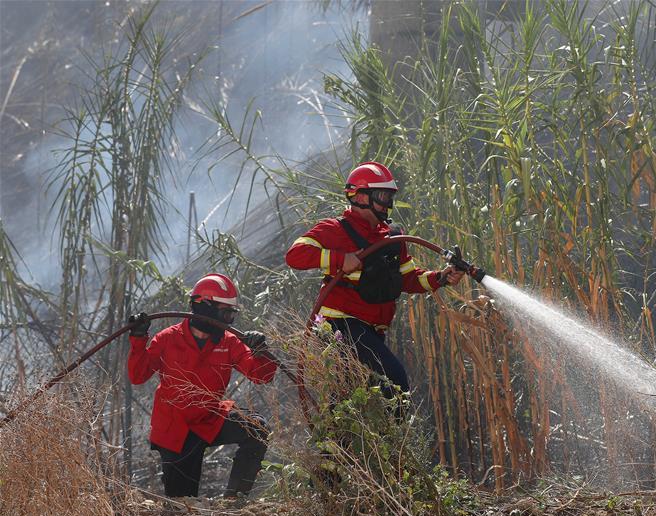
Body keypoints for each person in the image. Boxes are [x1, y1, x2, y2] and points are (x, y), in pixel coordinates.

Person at [285, 161, 463, 396]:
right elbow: (295, 255)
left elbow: (408, 279)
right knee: (396, 382)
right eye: (381, 196)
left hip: (371, 330)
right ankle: (391, 432)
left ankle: (346, 433)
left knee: (355, 397)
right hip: (340, 325)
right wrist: (340, 259)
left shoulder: (391, 237)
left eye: (389, 197)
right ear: (359, 197)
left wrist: (440, 277)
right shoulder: (335, 229)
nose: (387, 204)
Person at [127, 273, 277, 498]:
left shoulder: (229, 342)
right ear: (203, 307)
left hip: (209, 418)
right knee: (183, 506)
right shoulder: (167, 339)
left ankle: (234, 501)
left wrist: (261, 351)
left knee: (256, 429)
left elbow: (260, 375)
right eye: (224, 313)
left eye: (231, 315)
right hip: (176, 431)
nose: (228, 321)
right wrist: (138, 338)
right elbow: (137, 376)